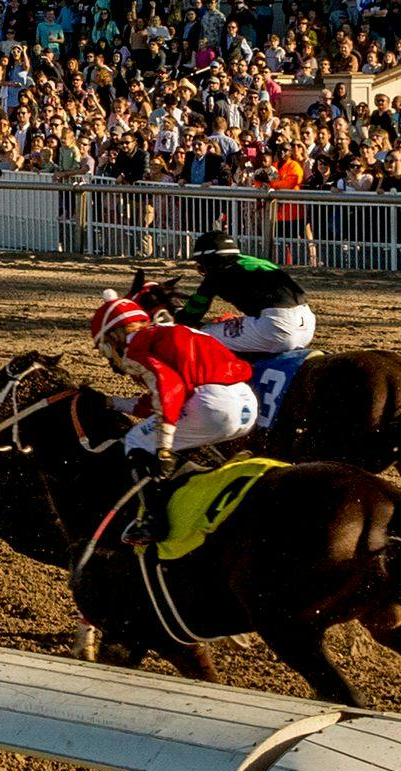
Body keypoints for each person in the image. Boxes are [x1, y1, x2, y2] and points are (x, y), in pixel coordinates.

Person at [89, 292, 259, 541]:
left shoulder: (136, 346)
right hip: (246, 404)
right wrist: (113, 403)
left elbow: (168, 387)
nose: (110, 357)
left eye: (105, 347)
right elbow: (161, 398)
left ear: (114, 336)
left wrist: (164, 447)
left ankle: (153, 521)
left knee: (137, 440)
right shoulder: (168, 333)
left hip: (212, 406)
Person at [172, 229, 317, 357]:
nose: (202, 269)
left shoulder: (218, 271)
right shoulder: (257, 262)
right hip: (308, 325)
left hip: (276, 327)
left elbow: (193, 313)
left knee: (201, 335)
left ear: (210, 258)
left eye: (201, 263)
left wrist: (176, 318)